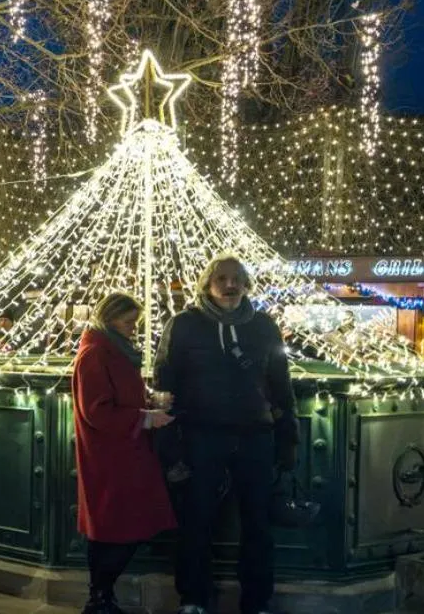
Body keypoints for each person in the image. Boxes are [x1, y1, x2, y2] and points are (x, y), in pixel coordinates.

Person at [154, 254, 295, 614]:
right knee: (196, 520)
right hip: (201, 435)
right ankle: (193, 598)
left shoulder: (263, 326)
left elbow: (281, 384)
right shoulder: (184, 325)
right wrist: (170, 442)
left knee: (257, 523)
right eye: (222, 278)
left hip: (255, 435)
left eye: (236, 278)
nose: (230, 285)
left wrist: (287, 438)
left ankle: (257, 601)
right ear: (207, 284)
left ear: (246, 284)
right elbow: (165, 379)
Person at [74, 292, 177, 614]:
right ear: (109, 318)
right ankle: (99, 597)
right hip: (111, 456)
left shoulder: (113, 349)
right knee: (117, 528)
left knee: (116, 528)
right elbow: (97, 410)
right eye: (128, 321)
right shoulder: (96, 353)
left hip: (124, 452)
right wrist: (145, 418)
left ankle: (101, 597)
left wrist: (149, 400)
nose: (134, 328)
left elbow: (120, 394)